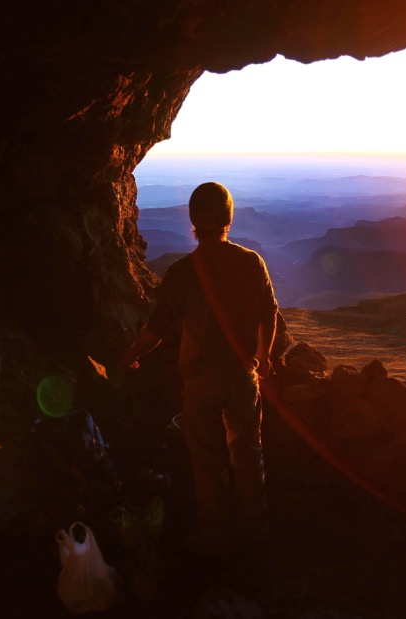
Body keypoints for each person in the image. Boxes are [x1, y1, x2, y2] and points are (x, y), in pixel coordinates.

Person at [122, 181, 278, 551]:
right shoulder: (251, 262)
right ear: (229, 217)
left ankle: (215, 537)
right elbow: (268, 313)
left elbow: (156, 330)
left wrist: (129, 356)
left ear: (193, 220)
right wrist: (265, 356)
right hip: (242, 376)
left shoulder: (182, 272)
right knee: (248, 454)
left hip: (200, 381)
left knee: (206, 462)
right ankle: (255, 532)